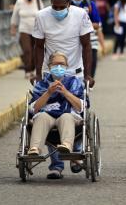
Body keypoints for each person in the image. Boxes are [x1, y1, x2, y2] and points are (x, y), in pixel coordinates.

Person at [33, 0, 94, 175]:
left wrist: (89, 75)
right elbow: (38, 46)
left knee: (73, 114)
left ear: (69, 3)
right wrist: (38, 74)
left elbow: (86, 45)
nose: (58, 10)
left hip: (75, 72)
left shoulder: (80, 15)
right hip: (50, 71)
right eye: (55, 7)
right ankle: (57, 165)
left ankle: (75, 152)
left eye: (61, 7)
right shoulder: (42, 16)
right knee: (50, 111)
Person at [27, 51, 84, 179]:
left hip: (68, 113)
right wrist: (48, 93)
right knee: (41, 117)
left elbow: (81, 107)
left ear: (67, 66)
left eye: (62, 64)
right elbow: (33, 109)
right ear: (49, 66)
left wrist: (65, 93)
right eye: (55, 64)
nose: (58, 67)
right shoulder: (41, 84)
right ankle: (35, 149)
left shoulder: (74, 82)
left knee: (66, 117)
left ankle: (66, 146)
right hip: (47, 114)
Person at [70, 0, 105, 78]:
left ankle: (89, 81)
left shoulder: (90, 4)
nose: (77, 0)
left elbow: (97, 24)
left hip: (90, 39)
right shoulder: (67, 4)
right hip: (72, 40)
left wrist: (82, 25)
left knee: (91, 61)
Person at [11, 0, 44, 79]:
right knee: (27, 50)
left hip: (36, 30)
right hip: (24, 29)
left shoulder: (38, 1)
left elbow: (43, 15)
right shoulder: (19, 1)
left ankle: (32, 68)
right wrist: (13, 27)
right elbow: (15, 16)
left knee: (35, 51)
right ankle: (27, 70)